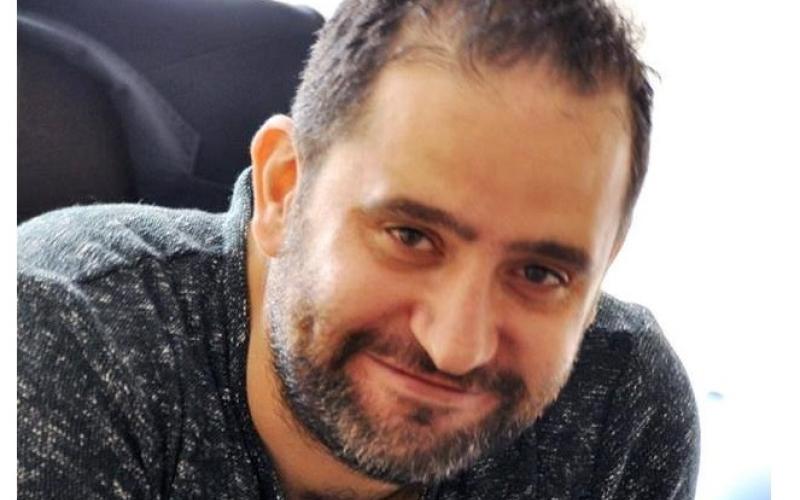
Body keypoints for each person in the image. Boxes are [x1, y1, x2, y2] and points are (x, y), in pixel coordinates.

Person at [17, 0, 700, 498]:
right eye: (411, 237)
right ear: (284, 190)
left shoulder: (621, 409)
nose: (455, 348)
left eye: (539, 273)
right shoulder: (61, 333)